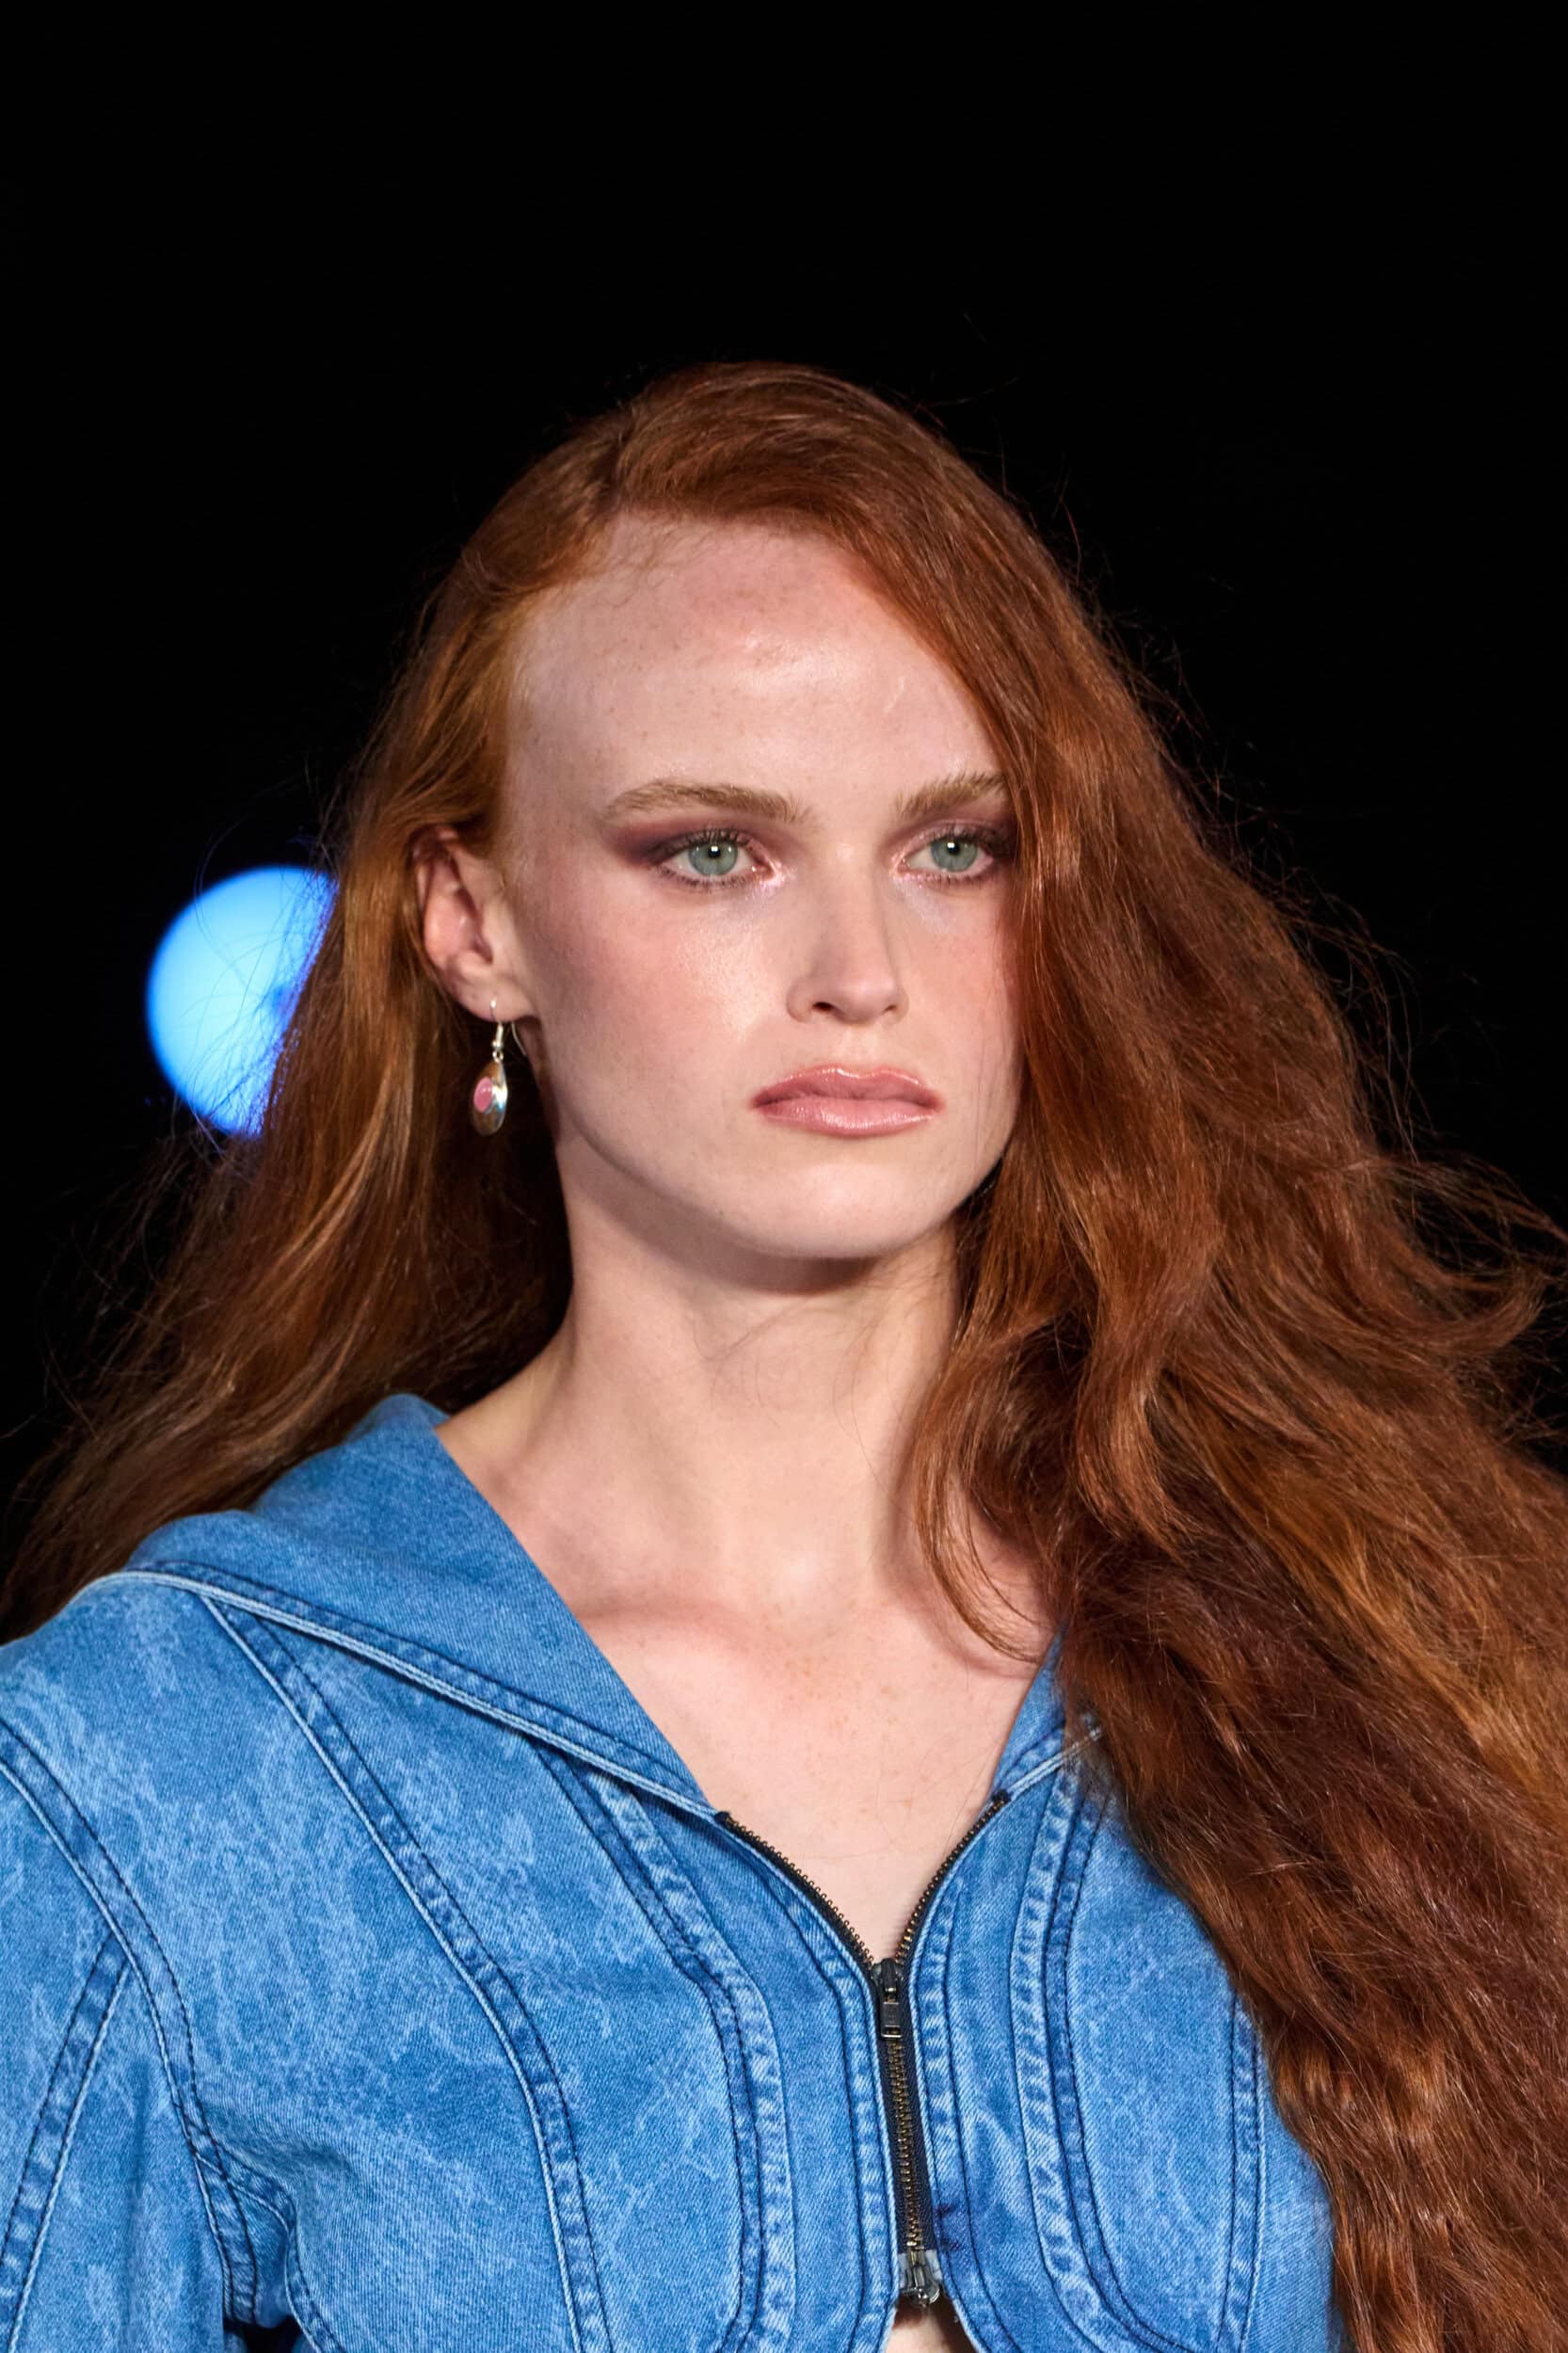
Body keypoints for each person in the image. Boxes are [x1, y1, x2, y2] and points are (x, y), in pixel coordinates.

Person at [2, 360, 1565, 2353]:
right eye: (711, 851)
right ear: (471, 920)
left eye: (956, 848)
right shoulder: (157, 1767)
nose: (859, 971)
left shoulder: (1396, 1648)